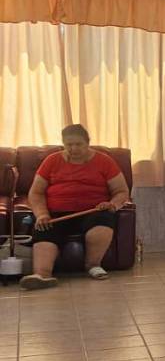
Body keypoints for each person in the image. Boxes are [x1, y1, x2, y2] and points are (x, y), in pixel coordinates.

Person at [19, 124, 131, 290]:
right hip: (56, 213)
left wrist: (112, 204)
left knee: (104, 220)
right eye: (69, 145)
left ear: (88, 143)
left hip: (93, 211)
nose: (73, 148)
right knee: (44, 229)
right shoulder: (51, 161)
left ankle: (93, 265)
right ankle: (42, 275)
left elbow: (121, 191)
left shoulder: (104, 161)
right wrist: (42, 214)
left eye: (78, 144)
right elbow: (36, 193)